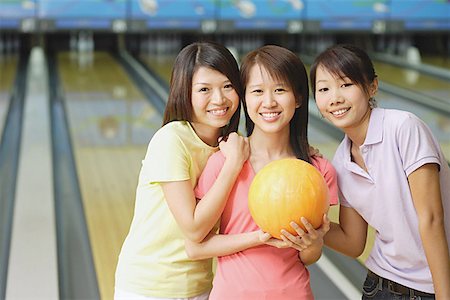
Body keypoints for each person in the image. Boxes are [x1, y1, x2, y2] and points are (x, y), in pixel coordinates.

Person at [185, 45, 338, 300]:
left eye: (280, 90)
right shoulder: (223, 163)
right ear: (245, 98)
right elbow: (196, 246)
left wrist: (313, 244)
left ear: (298, 98)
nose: (269, 102)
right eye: (257, 91)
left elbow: (309, 257)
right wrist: (259, 237)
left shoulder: (318, 170)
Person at [310, 44, 450, 299]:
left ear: (372, 86)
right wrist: (309, 224)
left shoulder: (404, 128)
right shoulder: (341, 162)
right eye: (324, 89)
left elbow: (431, 219)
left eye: (346, 84)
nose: (335, 98)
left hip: (435, 288)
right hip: (380, 287)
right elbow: (353, 243)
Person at [114, 41, 250, 300]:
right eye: (204, 90)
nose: (219, 99)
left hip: (200, 287)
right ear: (184, 92)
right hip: (149, 288)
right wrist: (232, 165)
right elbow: (194, 229)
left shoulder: (234, 145)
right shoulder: (171, 140)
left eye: (227, 86)